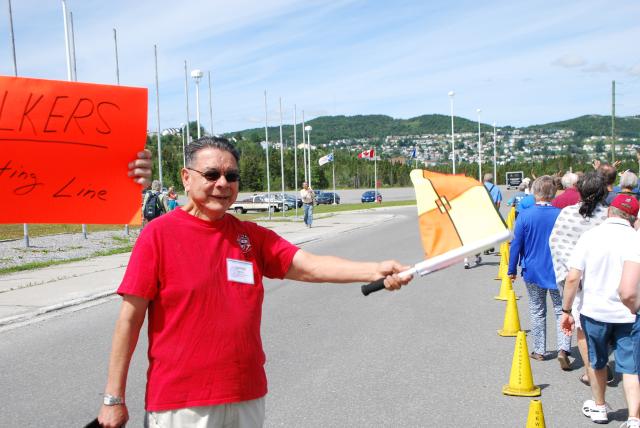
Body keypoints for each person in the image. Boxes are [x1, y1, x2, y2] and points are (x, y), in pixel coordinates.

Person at [97, 137, 412, 428]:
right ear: (186, 177)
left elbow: (311, 266)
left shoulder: (251, 237)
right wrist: (114, 398)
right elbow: (129, 319)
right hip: (181, 404)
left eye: (231, 177)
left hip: (246, 395)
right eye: (211, 175)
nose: (223, 184)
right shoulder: (159, 235)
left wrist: (375, 271)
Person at [560, 194, 640, 426]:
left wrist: (566, 310)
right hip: (629, 313)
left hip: (595, 312)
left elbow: (573, 277)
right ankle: (634, 418)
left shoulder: (590, 236)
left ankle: (599, 407)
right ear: (633, 218)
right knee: (631, 368)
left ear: (609, 212)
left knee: (597, 362)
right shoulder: (635, 240)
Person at [549, 171, 610, 380]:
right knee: (606, 324)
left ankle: (591, 370)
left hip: (577, 282)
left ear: (580, 191)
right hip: (607, 279)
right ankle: (600, 364)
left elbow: (556, 244)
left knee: (583, 328)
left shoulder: (567, 214)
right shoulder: (609, 215)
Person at [508, 176, 571, 365]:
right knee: (561, 310)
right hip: (558, 270)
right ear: (553, 193)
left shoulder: (525, 215)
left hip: (533, 270)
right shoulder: (561, 214)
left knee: (537, 309)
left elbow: (516, 244)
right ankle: (564, 348)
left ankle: (539, 349)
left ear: (535, 192)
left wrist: (511, 269)